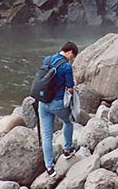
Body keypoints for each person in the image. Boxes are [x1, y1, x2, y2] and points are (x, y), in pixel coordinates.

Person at [39, 41, 79, 177]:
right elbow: (70, 88)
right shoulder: (67, 67)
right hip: (57, 103)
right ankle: (67, 150)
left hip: (42, 102)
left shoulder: (47, 59)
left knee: (47, 134)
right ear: (70, 52)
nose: (71, 59)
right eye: (72, 56)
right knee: (68, 122)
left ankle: (49, 167)